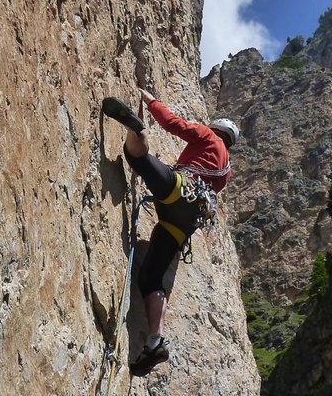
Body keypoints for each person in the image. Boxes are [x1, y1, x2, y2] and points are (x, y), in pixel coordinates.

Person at [102, 90, 239, 375]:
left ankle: (137, 131)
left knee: (139, 159)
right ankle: (155, 340)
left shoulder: (208, 136)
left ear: (216, 129)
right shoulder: (226, 170)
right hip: (185, 223)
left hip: (181, 191)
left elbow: (173, 124)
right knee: (151, 279)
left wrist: (151, 101)